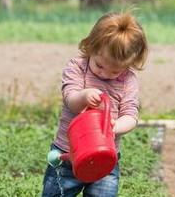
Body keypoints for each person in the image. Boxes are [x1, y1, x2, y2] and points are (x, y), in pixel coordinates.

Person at [41, 11, 148, 196]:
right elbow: (70, 99)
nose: (105, 74)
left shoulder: (128, 81)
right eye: (99, 65)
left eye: (115, 71)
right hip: (68, 155)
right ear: (91, 47)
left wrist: (115, 126)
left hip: (103, 159)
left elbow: (131, 115)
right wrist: (83, 96)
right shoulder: (77, 67)